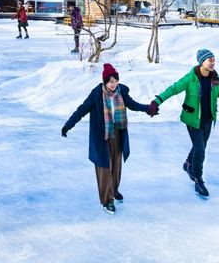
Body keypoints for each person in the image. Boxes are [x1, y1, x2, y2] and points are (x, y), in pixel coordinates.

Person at [149, 49, 219, 199]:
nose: (212, 62)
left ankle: (187, 164)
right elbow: (173, 89)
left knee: (200, 146)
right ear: (201, 62)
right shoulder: (191, 78)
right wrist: (156, 102)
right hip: (193, 119)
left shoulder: (216, 79)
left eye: (214, 59)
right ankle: (198, 180)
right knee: (200, 150)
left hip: (208, 119)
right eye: (209, 60)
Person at [61, 63, 155, 214]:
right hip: (102, 136)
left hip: (118, 133)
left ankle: (114, 190)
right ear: (105, 82)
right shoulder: (96, 94)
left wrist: (148, 108)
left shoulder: (121, 91)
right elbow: (82, 110)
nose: (114, 84)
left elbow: (132, 104)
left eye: (116, 81)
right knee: (104, 168)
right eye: (110, 82)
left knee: (116, 165)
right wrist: (68, 124)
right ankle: (107, 200)